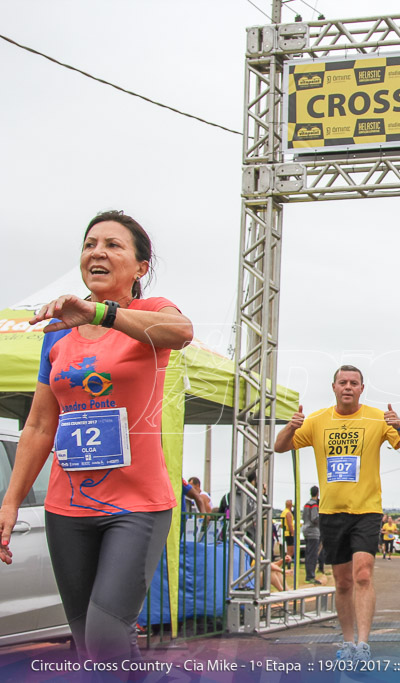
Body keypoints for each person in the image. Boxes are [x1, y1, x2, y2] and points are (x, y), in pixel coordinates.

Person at [0, 210, 193, 664]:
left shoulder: (149, 313)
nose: (98, 252)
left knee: (108, 635)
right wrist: (10, 502)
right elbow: (40, 425)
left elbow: (181, 333)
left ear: (140, 267)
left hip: (137, 505)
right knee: (89, 642)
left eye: (112, 244)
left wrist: (100, 313)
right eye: (90, 244)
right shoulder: (57, 333)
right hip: (68, 508)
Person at [274, 365, 400, 663]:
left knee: (363, 574)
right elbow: (279, 447)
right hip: (331, 512)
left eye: (354, 383)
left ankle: (364, 646)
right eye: (343, 382)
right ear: (334, 387)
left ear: (362, 389)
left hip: (366, 509)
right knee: (342, 582)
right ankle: (349, 643)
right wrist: (291, 425)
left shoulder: (378, 418)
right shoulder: (316, 421)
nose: (348, 387)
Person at [302, 487, 322, 585]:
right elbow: (315, 518)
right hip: (313, 531)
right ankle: (310, 575)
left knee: (308, 553)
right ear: (317, 493)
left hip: (306, 530)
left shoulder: (306, 504)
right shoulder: (314, 505)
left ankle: (308, 574)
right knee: (313, 554)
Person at [281, 499, 296, 567]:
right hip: (289, 533)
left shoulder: (283, 512)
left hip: (285, 532)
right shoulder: (288, 513)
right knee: (291, 551)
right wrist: (293, 533)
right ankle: (287, 564)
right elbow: (290, 524)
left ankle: (286, 563)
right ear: (290, 505)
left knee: (288, 550)